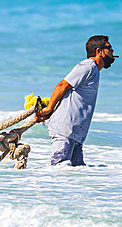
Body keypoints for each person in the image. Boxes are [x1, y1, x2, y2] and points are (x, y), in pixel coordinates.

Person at [35, 35, 117, 166]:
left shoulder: (95, 71)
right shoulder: (88, 66)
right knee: (60, 170)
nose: (112, 51)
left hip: (75, 134)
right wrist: (49, 108)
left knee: (77, 175)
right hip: (65, 131)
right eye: (109, 48)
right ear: (98, 51)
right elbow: (62, 85)